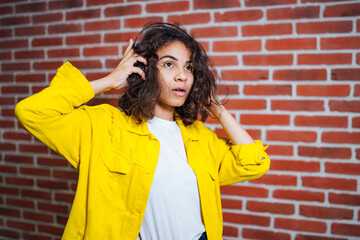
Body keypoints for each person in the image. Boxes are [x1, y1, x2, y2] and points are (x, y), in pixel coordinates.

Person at [15, 22, 270, 240]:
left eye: (189, 68)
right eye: (169, 65)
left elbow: (254, 163)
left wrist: (216, 107)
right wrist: (110, 81)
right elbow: (33, 112)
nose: (182, 75)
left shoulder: (199, 137)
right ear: (146, 69)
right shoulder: (105, 126)